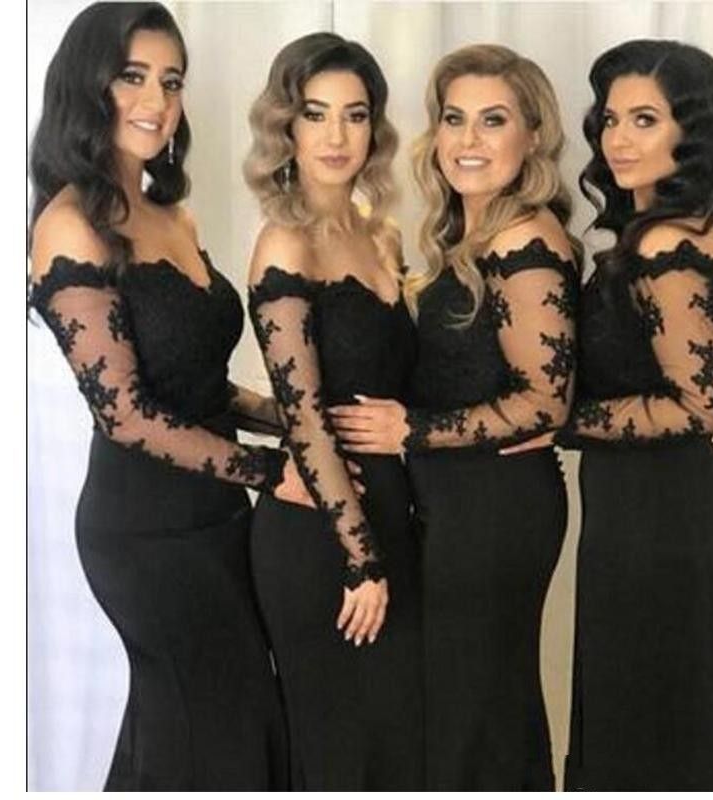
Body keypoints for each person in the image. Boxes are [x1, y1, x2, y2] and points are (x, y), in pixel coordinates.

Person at [27, 2, 297, 789]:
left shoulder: (172, 214)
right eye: (132, 77)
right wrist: (273, 472)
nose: (156, 100)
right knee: (212, 724)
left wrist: (289, 420)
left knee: (203, 722)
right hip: (144, 527)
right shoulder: (70, 226)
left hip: (215, 512)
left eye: (171, 81)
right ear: (88, 87)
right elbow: (126, 415)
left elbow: (200, 386)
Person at [502, 39, 713, 790]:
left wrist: (559, 422)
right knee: (653, 717)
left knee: (652, 725)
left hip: (657, 520)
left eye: (645, 119)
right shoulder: (663, 232)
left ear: (691, 132)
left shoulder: (669, 243)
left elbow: (703, 405)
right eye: (611, 119)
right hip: (646, 508)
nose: (618, 138)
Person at [330, 44, 579, 790]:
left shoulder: (525, 240)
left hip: (497, 507)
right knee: (468, 709)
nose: (468, 140)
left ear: (532, 135)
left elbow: (546, 399)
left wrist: (410, 430)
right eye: (454, 118)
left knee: (480, 714)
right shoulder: (468, 238)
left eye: (493, 120)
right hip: (458, 499)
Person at [243, 32, 424, 789]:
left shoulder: (382, 236)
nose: (336, 135)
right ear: (286, 125)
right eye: (315, 114)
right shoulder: (284, 245)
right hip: (320, 535)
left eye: (355, 115)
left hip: (393, 511)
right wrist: (361, 557)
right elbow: (304, 414)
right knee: (337, 751)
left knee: (397, 746)